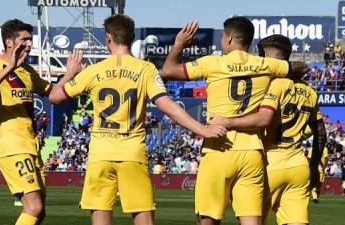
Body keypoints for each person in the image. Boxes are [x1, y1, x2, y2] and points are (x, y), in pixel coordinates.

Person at [48, 14, 226, 225]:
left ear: (108, 38)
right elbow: (167, 106)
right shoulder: (145, 69)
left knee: (100, 216)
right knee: (143, 218)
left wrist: (69, 73)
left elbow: (54, 97)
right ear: (132, 38)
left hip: (100, 153)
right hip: (132, 153)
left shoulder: (93, 71)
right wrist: (201, 129)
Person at [162, 17, 309, 225]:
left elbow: (168, 71)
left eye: (223, 36)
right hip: (252, 152)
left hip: (218, 148)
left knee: (208, 220)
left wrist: (179, 45)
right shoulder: (266, 64)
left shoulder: (213, 63)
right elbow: (302, 67)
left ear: (229, 38)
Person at [210, 34, 327, 225]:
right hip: (298, 166)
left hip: (269, 163)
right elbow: (321, 133)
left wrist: (227, 121)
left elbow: (260, 119)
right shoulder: (310, 91)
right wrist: (314, 166)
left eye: (261, 57)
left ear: (270, 59)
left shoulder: (273, 85)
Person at [0, 19, 77, 225]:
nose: (30, 43)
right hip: (13, 146)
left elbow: (53, 94)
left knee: (39, 212)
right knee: (34, 207)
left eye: (31, 39)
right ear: (9, 42)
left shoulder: (28, 71)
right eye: (25, 39)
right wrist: (9, 68)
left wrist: (69, 74)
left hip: (31, 146)